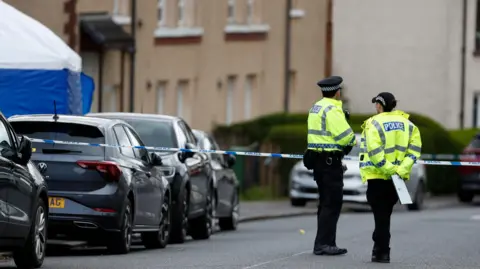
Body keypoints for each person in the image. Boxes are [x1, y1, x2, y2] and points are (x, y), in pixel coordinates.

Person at [359, 92, 422, 263]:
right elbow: (414, 150)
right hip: (397, 178)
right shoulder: (408, 125)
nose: (375, 108)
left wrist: (389, 169)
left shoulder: (373, 123)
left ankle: (382, 250)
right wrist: (400, 169)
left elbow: (374, 152)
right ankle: (380, 249)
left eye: (376, 105)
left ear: (380, 105)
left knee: (380, 216)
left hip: (378, 176)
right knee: (385, 214)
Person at [303, 76, 356, 256]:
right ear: (337, 92)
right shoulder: (333, 109)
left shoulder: (316, 107)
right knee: (332, 203)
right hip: (330, 162)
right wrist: (352, 139)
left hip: (319, 161)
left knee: (325, 203)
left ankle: (324, 242)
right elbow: (346, 137)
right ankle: (324, 244)